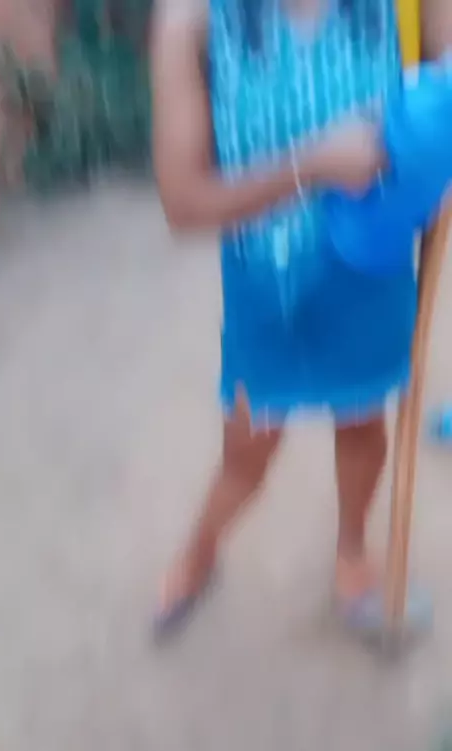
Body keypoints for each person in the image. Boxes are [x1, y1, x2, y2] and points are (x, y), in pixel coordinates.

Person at [151, 0, 451, 638]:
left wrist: (431, 154)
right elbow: (182, 204)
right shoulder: (191, 19)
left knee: (364, 425)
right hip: (268, 289)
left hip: (373, 276)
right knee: (247, 451)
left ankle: (352, 559)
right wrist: (312, 165)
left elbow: (444, 93)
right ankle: (198, 554)